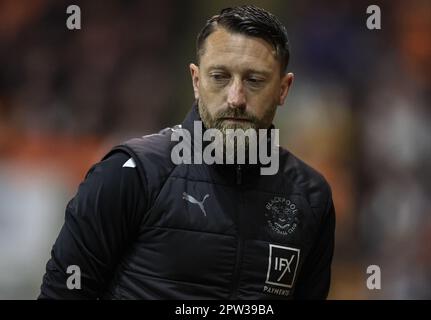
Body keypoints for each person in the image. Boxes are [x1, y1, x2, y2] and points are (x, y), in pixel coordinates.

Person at [39, 5, 335, 300]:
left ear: (284, 89)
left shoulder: (310, 197)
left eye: (254, 80)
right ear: (196, 81)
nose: (235, 98)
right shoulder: (130, 174)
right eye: (220, 77)